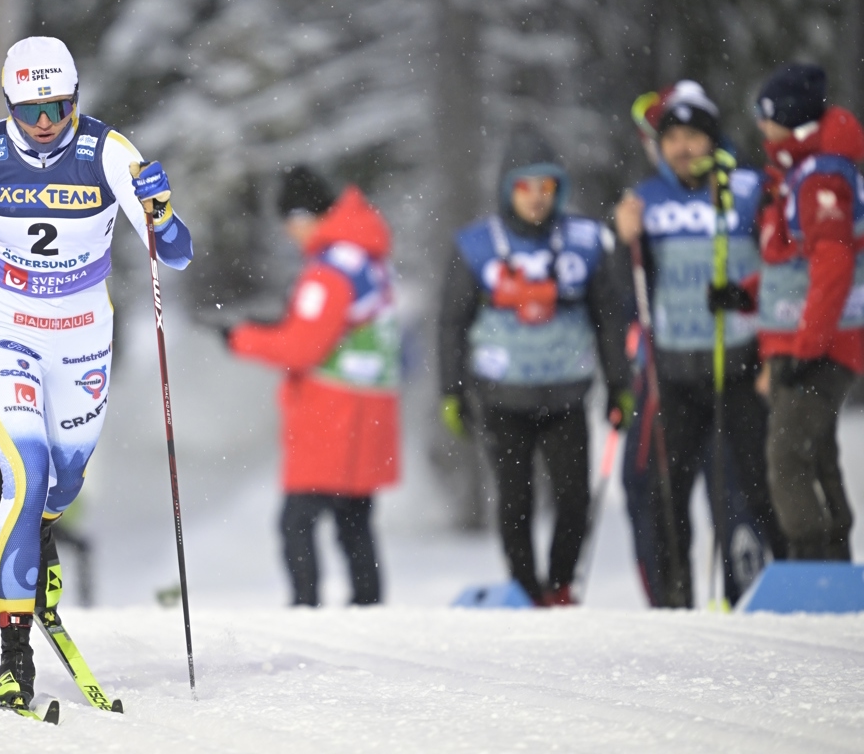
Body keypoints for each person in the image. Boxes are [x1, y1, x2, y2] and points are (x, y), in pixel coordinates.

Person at [0, 36, 193, 712]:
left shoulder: (109, 153)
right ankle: (13, 656)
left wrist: (162, 211)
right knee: (23, 476)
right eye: (31, 110)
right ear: (9, 106)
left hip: (84, 336)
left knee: (66, 478)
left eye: (59, 105)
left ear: (76, 97)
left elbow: (176, 254)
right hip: (8, 328)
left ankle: (36, 537)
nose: (47, 122)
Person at [439, 125, 628, 607]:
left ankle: (560, 585)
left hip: (566, 394)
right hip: (503, 397)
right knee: (515, 501)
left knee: (574, 500)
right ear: (508, 189)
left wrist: (619, 384)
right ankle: (525, 588)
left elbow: (609, 317)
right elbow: (452, 323)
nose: (537, 198)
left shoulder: (586, 241)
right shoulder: (476, 246)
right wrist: (451, 391)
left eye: (547, 187)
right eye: (526, 187)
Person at [615, 81, 780, 608]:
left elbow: (785, 270)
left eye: (693, 136)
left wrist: (774, 351)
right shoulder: (645, 201)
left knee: (743, 495)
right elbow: (623, 292)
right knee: (652, 490)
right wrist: (625, 241)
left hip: (739, 369)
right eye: (672, 138)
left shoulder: (752, 189)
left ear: (712, 139)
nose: (683, 148)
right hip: (671, 377)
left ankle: (746, 597)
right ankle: (672, 601)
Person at [225, 165, 399, 607]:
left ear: (305, 217)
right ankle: (368, 606)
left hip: (332, 415)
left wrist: (241, 338)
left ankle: (305, 609)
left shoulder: (328, 271)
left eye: (291, 223)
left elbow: (302, 348)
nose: (290, 235)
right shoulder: (366, 257)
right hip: (370, 410)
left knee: (296, 521)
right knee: (354, 520)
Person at [713, 65, 863, 559]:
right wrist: (747, 294)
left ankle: (811, 560)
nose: (761, 127)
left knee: (786, 456)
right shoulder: (802, 172)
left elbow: (834, 264)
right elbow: (795, 268)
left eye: (767, 116)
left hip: (821, 343)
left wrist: (809, 345)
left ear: (789, 119)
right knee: (815, 454)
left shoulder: (821, 179)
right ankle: (834, 562)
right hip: (805, 338)